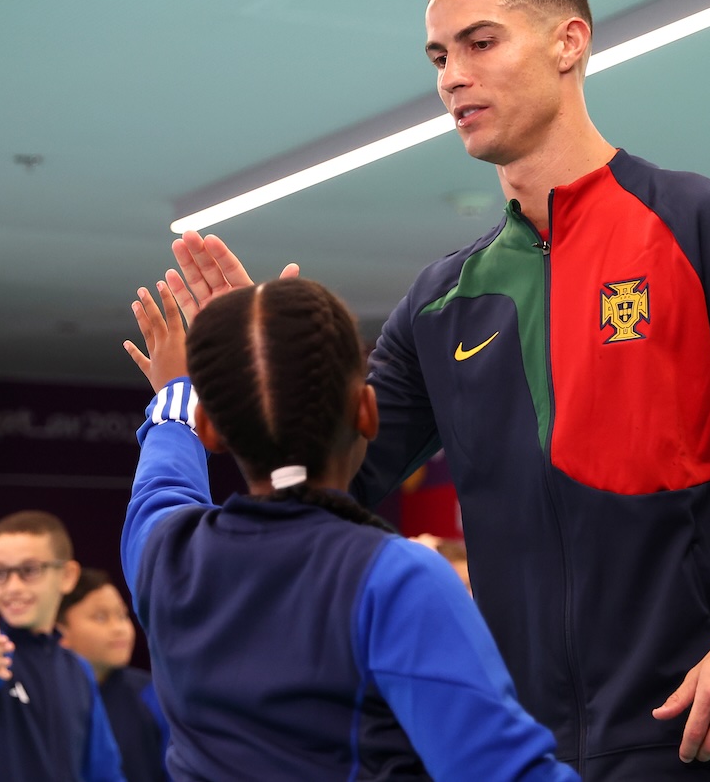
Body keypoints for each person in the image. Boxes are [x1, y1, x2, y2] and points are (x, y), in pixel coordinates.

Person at [162, 0, 710, 778]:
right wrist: (269, 370)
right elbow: (325, 482)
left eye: (479, 43)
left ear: (568, 42)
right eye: (438, 56)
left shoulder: (704, 230)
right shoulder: (442, 301)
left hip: (686, 739)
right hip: (509, 754)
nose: (451, 79)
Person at [121, 277, 577, 780]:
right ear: (367, 410)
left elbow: (163, 479)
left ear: (211, 429)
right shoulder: (397, 577)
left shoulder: (165, 555)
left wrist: (180, 394)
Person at [0, 511, 124, 782]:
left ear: (67, 575)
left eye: (29, 570)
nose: (13, 587)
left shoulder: (78, 670)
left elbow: (103, 769)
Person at [58, 568, 171, 782]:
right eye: (101, 617)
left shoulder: (154, 694)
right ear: (59, 631)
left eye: (122, 615)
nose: (119, 628)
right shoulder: (39, 695)